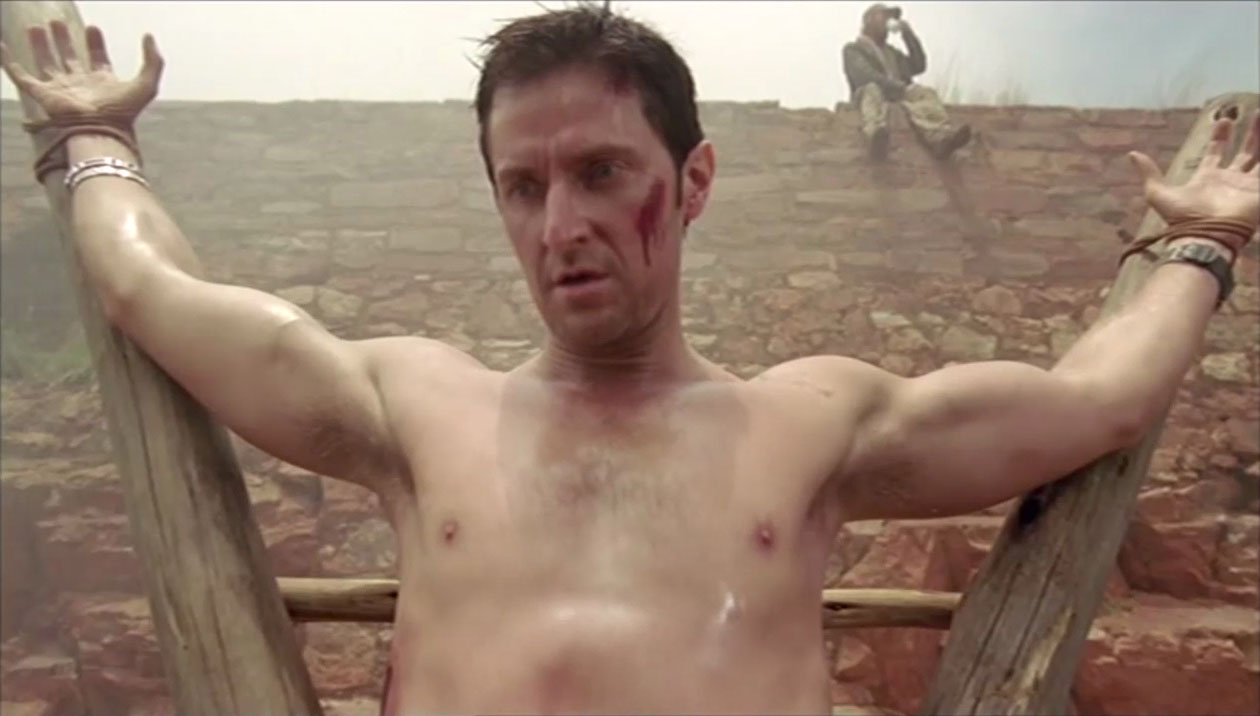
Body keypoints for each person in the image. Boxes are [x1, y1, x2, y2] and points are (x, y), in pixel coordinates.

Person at [2, 5, 1256, 714]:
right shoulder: (412, 406)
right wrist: (93, 143)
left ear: (692, 180)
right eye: (524, 185)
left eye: (603, 172)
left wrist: (1200, 242)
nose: (562, 226)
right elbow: (149, 289)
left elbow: (1101, 399)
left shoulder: (809, 423)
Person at [841, 3, 973, 160]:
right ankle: (875, 137)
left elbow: (918, 65)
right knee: (872, 89)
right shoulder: (853, 49)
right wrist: (897, 87)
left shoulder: (892, 54)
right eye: (882, 16)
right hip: (869, 97)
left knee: (924, 93)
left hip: (898, 94)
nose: (886, 21)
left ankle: (940, 139)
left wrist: (908, 35)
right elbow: (865, 75)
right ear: (869, 21)